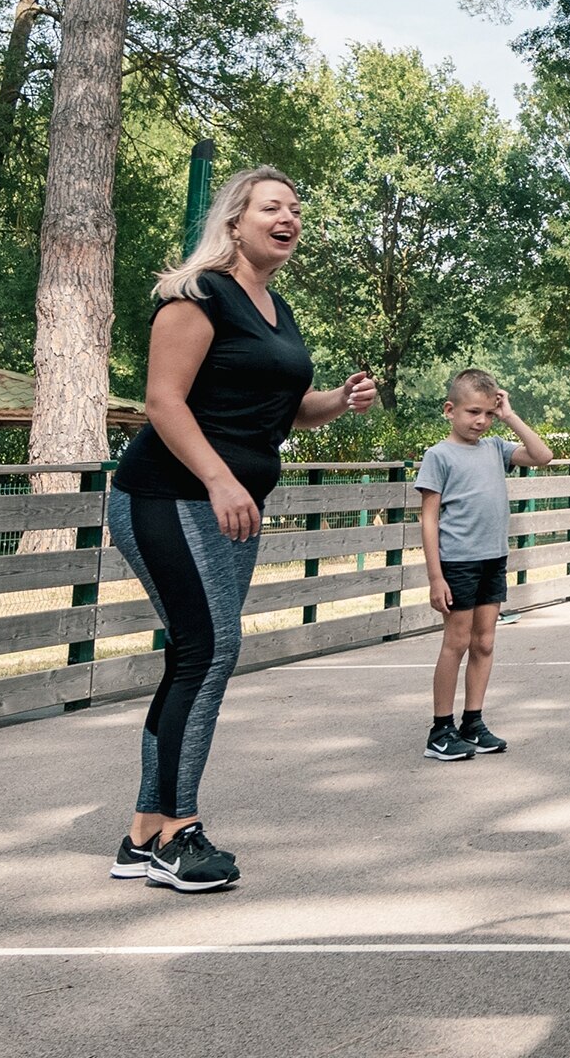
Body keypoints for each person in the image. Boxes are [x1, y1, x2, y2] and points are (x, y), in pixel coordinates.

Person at [107, 167, 376, 893]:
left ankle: (142, 835)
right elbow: (162, 401)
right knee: (212, 648)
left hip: (232, 508)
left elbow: (282, 413)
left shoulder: (273, 308)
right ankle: (177, 833)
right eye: (271, 207)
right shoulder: (197, 296)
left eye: (295, 208)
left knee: (194, 656)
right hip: (168, 496)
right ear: (235, 220)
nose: (288, 217)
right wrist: (220, 478)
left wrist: (336, 402)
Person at [415, 368, 555, 762]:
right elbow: (428, 518)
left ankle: (471, 722)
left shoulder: (495, 448)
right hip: (457, 562)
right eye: (472, 412)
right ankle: (440, 729)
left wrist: (510, 416)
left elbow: (543, 457)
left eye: (488, 414)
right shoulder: (438, 455)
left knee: (485, 642)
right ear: (450, 410)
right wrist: (435, 576)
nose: (480, 421)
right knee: (456, 642)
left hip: (493, 558)